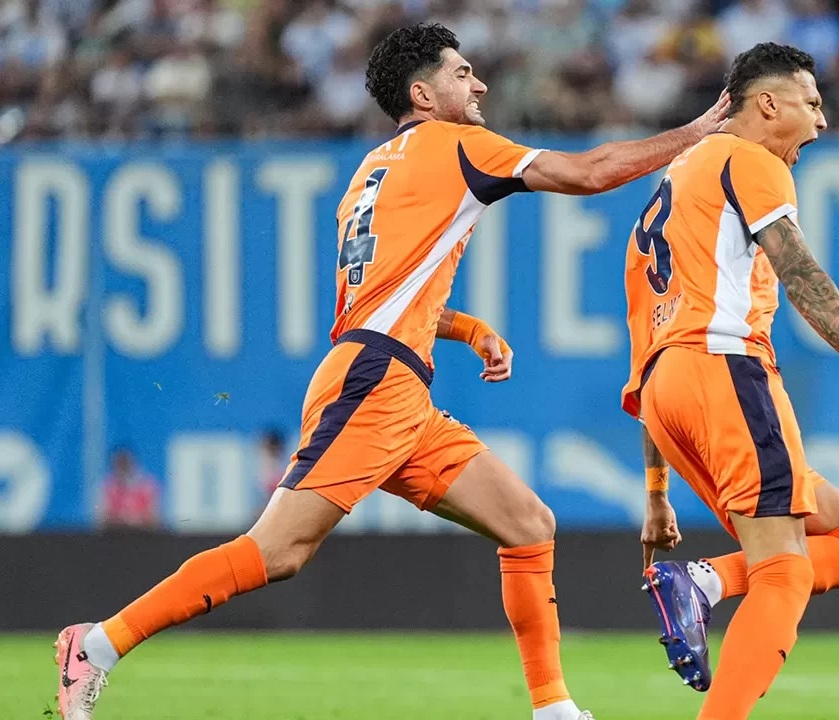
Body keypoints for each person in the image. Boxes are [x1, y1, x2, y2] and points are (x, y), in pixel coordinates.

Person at [54, 22, 730, 720]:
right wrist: (695, 133)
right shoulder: (456, 145)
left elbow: (379, 298)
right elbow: (588, 172)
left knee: (529, 523)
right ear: (423, 94)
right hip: (375, 381)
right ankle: (97, 644)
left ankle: (553, 710)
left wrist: (468, 329)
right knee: (278, 550)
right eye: (462, 73)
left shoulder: (368, 175)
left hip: (387, 377)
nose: (479, 84)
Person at [619, 43, 839, 719]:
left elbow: (649, 346)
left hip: (666, 392)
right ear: (768, 104)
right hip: (725, 370)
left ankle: (702, 582)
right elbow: (798, 268)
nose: (821, 122)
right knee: (784, 568)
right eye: (812, 103)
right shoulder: (749, 160)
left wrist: (656, 492)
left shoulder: (677, 181)